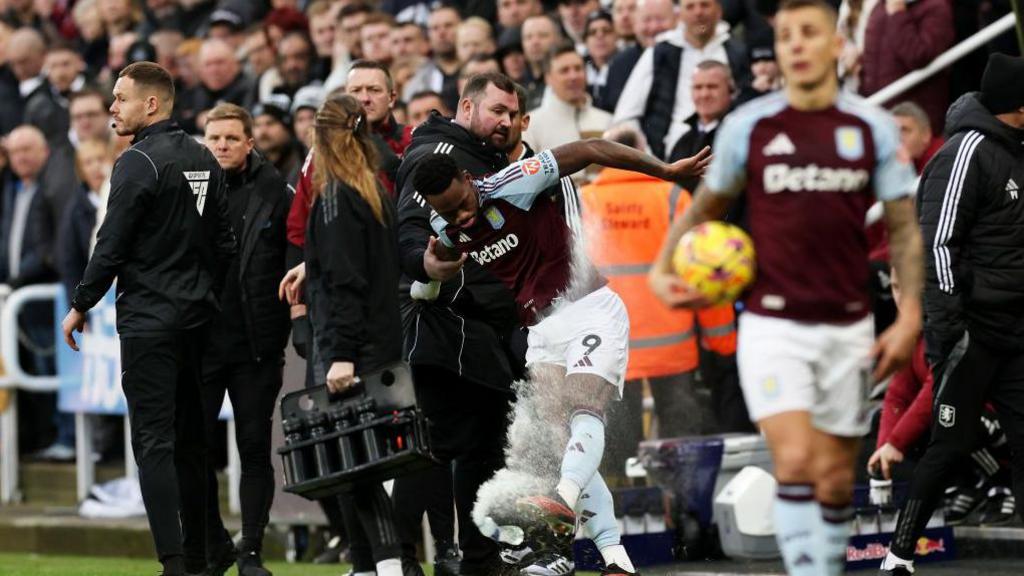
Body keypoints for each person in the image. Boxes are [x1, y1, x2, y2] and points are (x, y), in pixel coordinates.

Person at [646, 1, 924, 575]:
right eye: (787, 34)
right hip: (772, 326)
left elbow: (902, 228)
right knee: (795, 460)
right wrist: (661, 268)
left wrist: (910, 315)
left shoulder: (869, 127)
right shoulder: (750, 125)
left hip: (848, 328)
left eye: (810, 33)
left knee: (830, 476)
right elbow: (706, 206)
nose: (797, 44)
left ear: (833, 45)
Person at [411, 131, 711, 576]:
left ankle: (559, 508)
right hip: (541, 331)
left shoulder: (516, 181)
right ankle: (616, 560)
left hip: (590, 307)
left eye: (462, 202)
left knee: (583, 408)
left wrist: (665, 170)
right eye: (448, 211)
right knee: (563, 442)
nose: (461, 215)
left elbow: (590, 148)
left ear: (468, 178)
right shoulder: (445, 226)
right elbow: (440, 261)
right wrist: (427, 280)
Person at [61, 61, 236, 576]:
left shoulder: (137, 161)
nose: (112, 107)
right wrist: (204, 294)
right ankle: (205, 554)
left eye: (119, 97)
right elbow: (224, 243)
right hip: (198, 322)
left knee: (154, 444)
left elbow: (111, 243)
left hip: (150, 325)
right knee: (192, 443)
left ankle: (175, 564)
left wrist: (81, 305)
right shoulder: (203, 157)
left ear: (151, 104)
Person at [879, 53, 1024, 576]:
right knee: (951, 443)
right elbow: (938, 244)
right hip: (971, 332)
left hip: (1015, 329)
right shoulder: (966, 151)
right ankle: (897, 557)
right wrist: (950, 328)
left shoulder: (1016, 150)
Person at [581, 125, 742, 479]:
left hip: (610, 353)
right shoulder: (672, 198)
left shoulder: (584, 202)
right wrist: (722, 340)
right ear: (644, 152)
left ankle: (625, 525)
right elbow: (703, 271)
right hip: (673, 350)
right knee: (682, 454)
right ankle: (685, 522)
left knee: (614, 457)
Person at [303, 92, 406, 576]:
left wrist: (341, 355)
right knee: (363, 465)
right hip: (382, 342)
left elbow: (346, 282)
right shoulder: (371, 190)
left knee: (359, 466)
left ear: (321, 138)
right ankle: (371, 568)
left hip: (354, 349)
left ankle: (384, 568)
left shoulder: (335, 197)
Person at [200, 103, 292, 576]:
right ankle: (216, 544)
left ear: (250, 142)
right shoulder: (189, 189)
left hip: (256, 344)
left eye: (231, 138)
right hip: (202, 343)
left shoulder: (277, 190)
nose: (221, 146)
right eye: (214, 138)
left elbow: (293, 259)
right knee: (193, 450)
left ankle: (251, 550)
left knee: (254, 446)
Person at [613, 0, 750, 160]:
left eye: (704, 5)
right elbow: (625, 117)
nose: (698, 12)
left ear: (719, 11)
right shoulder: (659, 53)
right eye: (690, 6)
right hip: (665, 160)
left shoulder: (737, 53)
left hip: (726, 153)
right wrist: (649, 160)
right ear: (679, 15)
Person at [523, 43, 612, 181]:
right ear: (548, 78)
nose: (573, 76)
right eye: (564, 70)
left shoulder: (608, 121)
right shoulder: (531, 125)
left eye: (578, 69)